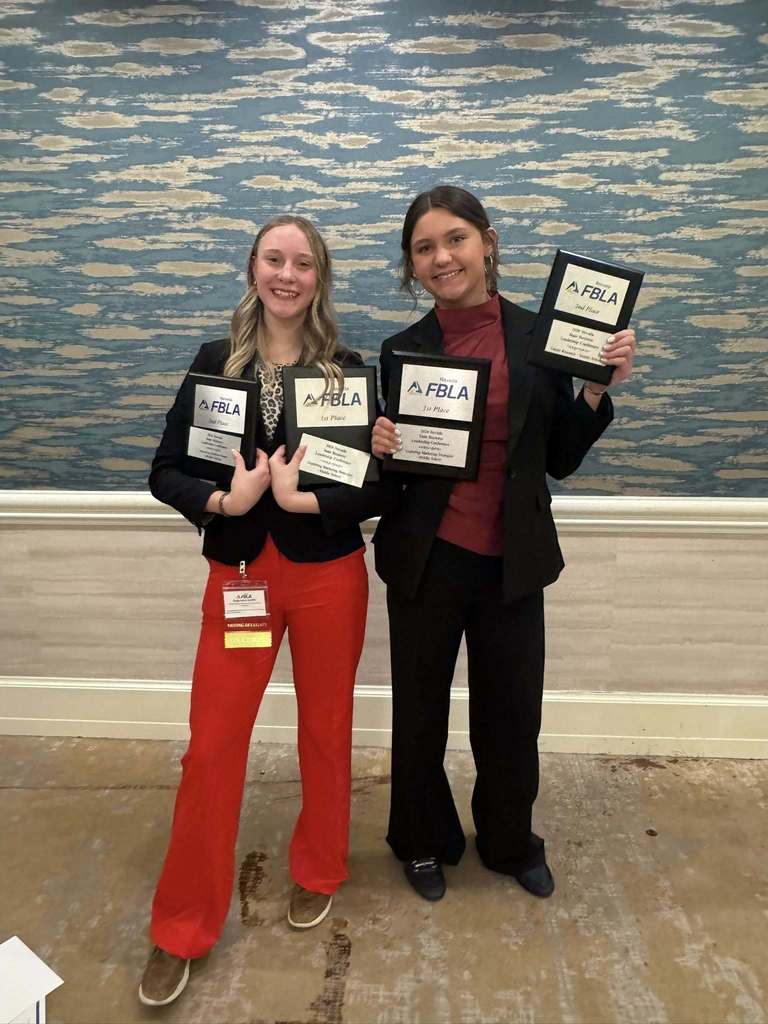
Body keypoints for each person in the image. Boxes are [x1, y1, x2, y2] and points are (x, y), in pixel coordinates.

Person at [139, 215, 393, 1007]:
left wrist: (304, 496)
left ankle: (319, 868)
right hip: (240, 576)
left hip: (328, 573)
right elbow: (165, 471)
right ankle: (180, 926)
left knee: (326, 728)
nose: (288, 275)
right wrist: (228, 497)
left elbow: (375, 488)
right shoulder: (215, 364)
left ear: (321, 278)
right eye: (275, 259)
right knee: (211, 748)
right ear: (252, 268)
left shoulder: (348, 371)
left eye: (304, 263)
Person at [371, 185, 641, 903]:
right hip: (427, 560)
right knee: (419, 714)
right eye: (424, 248)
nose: (441, 257)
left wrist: (592, 392)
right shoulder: (402, 349)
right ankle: (422, 839)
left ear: (487, 242)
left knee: (513, 715)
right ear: (413, 265)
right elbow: (394, 472)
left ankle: (509, 840)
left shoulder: (541, 338)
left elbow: (559, 459)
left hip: (513, 559)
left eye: (453, 238)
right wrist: (380, 444)